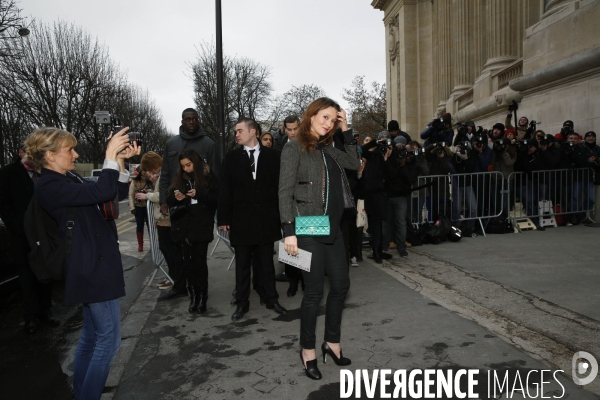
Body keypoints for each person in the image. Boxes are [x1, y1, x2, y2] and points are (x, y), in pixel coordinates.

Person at [24, 127, 139, 399]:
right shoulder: (49, 186)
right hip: (90, 266)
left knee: (90, 336)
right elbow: (99, 192)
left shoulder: (68, 177)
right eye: (69, 150)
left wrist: (119, 158)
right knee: (108, 342)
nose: (76, 154)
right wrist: (109, 154)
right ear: (50, 156)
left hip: (93, 262)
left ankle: (81, 393)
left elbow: (111, 193)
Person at [279, 97, 360, 380]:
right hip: (308, 227)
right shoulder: (294, 148)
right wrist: (289, 231)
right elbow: (284, 191)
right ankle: (308, 350)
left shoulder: (330, 149)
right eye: (324, 117)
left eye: (332, 119)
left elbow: (354, 162)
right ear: (311, 116)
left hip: (334, 227)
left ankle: (332, 343)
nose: (328, 123)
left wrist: (346, 128)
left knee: (340, 286)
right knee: (313, 292)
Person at [218, 117, 287, 321]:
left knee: (267, 262)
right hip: (241, 220)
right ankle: (241, 303)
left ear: (253, 131)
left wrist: (283, 217)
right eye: (235, 131)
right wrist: (223, 217)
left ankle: (271, 298)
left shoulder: (274, 156)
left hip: (267, 219)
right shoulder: (231, 158)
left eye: (239, 130)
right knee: (242, 265)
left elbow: (281, 189)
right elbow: (225, 190)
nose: (236, 134)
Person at [0, 148, 58, 334]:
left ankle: (45, 312)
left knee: (45, 275)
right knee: (26, 278)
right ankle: (30, 317)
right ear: (20, 152)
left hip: (44, 234)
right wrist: (17, 226)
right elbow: (4, 204)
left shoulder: (45, 171)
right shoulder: (8, 173)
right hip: (22, 235)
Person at [167, 149, 219, 314]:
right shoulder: (179, 179)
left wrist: (200, 194)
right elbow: (169, 199)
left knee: (199, 262)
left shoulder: (208, 177)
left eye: (188, 165)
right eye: (183, 166)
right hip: (184, 227)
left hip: (201, 226)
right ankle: (193, 296)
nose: (186, 169)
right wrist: (176, 196)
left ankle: (202, 297)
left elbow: (217, 199)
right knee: (188, 263)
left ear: (195, 163)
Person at [135, 152, 186, 294]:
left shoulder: (165, 175)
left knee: (170, 250)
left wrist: (147, 195)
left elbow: (164, 194)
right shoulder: (164, 174)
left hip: (167, 218)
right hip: (164, 218)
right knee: (169, 250)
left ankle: (177, 280)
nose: (151, 175)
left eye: (151, 171)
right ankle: (173, 278)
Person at [159, 108, 216, 218]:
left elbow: (216, 174)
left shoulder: (209, 144)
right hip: (177, 202)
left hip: (202, 204)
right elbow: (165, 174)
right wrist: (163, 201)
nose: (191, 122)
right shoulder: (171, 144)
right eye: (188, 119)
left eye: (194, 119)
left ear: (198, 121)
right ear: (182, 122)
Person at [128, 166, 151, 251]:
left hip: (148, 206)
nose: (144, 172)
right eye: (143, 171)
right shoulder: (134, 181)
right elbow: (130, 195)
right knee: (139, 226)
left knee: (150, 225)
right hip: (138, 206)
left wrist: (148, 192)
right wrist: (132, 208)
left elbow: (155, 191)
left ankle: (152, 242)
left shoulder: (150, 181)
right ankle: (140, 244)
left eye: (146, 170)